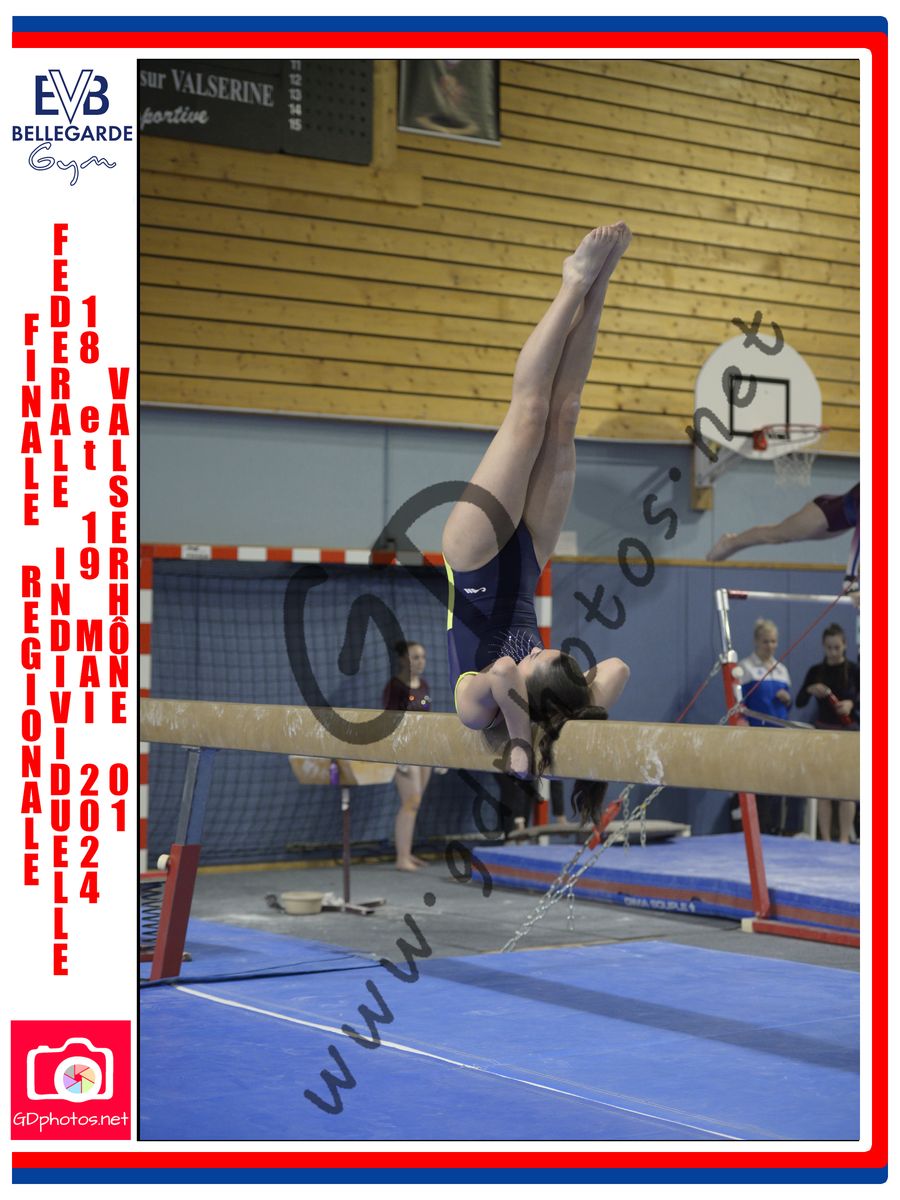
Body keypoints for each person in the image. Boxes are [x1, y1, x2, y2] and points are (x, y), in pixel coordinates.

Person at [441, 223, 632, 822]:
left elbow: (502, 670)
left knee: (528, 416)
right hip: (525, 563)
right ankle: (599, 285)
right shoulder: (560, 695)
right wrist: (581, 709)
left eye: (541, 657)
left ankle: (571, 282)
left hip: (474, 559)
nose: (541, 650)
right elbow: (616, 669)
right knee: (565, 413)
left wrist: (521, 742)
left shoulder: (478, 709)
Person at [707, 483, 860, 600]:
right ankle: (731, 542)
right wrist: (850, 579)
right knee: (776, 535)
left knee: (777, 535)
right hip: (823, 513)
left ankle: (732, 542)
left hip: (840, 523)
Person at [795, 623, 860, 843]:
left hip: (848, 733)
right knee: (824, 790)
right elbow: (800, 701)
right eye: (829, 648)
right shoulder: (816, 671)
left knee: (846, 790)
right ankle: (824, 839)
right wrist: (810, 689)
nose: (833, 652)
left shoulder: (855, 670)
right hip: (823, 732)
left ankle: (843, 839)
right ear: (823, 646)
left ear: (845, 645)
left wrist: (851, 703)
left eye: (837, 647)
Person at [381, 640, 436, 871]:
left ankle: (407, 853)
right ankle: (401, 858)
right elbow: (388, 723)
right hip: (404, 750)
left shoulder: (424, 685)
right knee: (410, 801)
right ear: (403, 660)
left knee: (415, 803)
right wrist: (397, 756)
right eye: (415, 657)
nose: (421, 661)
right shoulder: (394, 687)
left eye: (423, 657)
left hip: (423, 749)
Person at [737, 618, 794, 835]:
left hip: (779, 736)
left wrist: (787, 698)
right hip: (757, 735)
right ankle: (757, 830)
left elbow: (789, 705)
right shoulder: (745, 668)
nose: (770, 646)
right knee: (759, 784)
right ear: (756, 641)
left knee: (777, 785)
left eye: (773, 641)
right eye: (765, 641)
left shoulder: (782, 670)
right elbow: (739, 705)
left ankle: (775, 829)